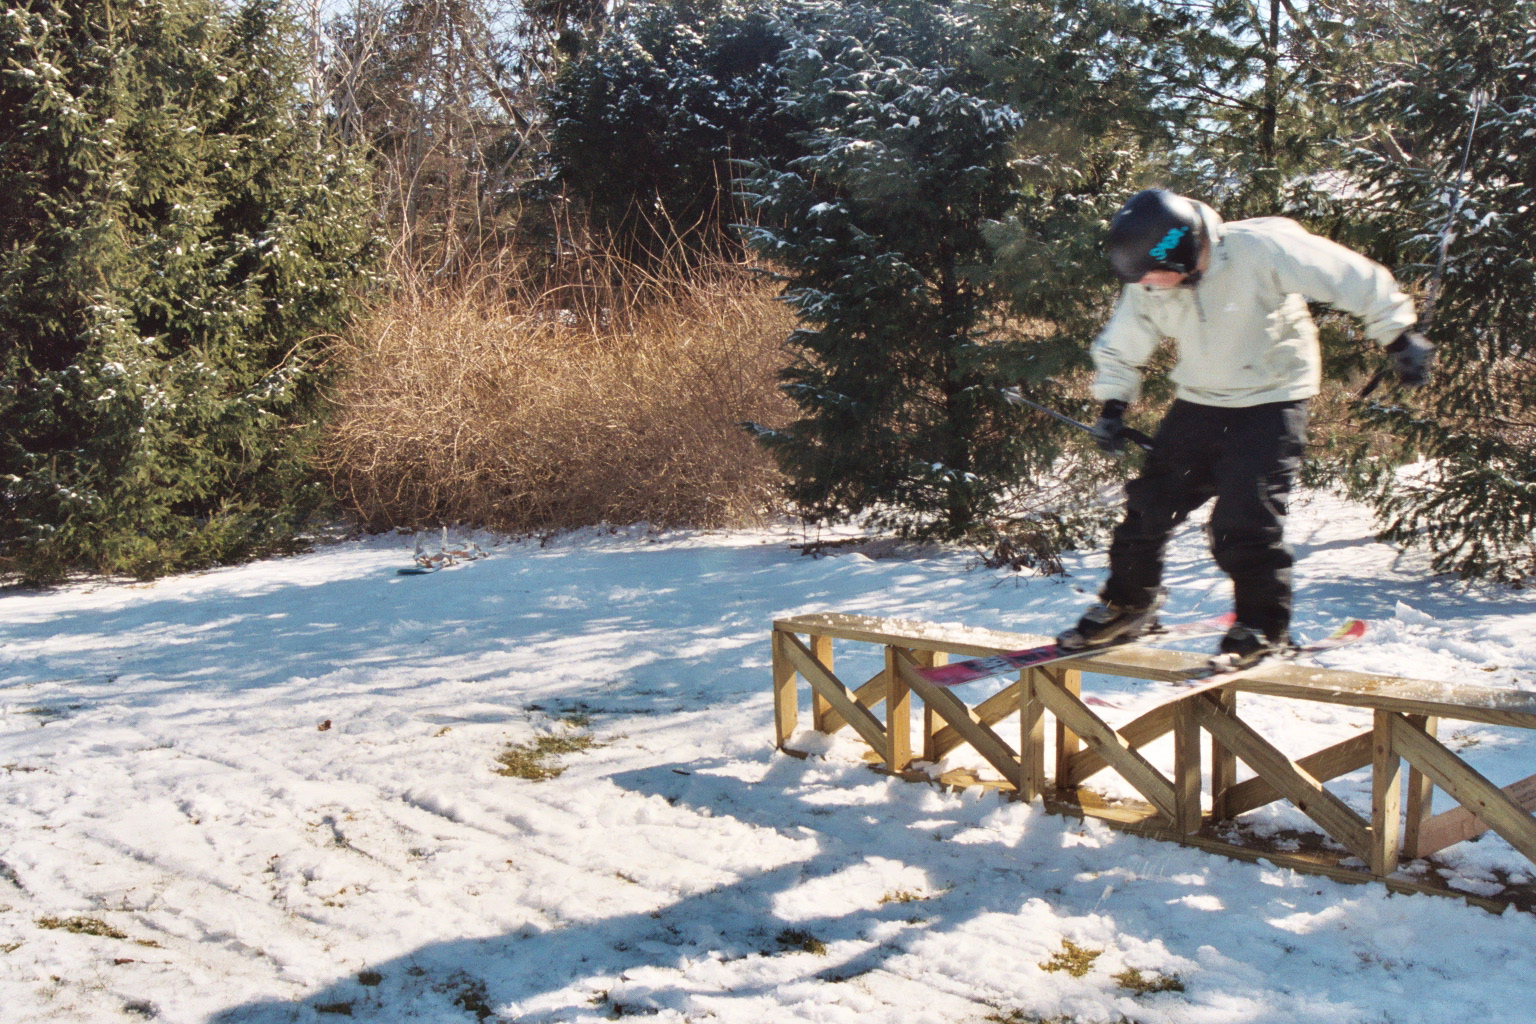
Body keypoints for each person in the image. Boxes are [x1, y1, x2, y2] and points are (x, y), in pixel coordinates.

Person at [1057, 188, 1435, 666]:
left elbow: (1353, 277)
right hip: (1199, 399)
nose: (1148, 284)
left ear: (1183, 251)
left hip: (1271, 400)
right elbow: (1125, 338)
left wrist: (1398, 335)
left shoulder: (1262, 249)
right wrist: (1113, 405)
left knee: (1244, 521)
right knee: (1149, 506)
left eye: (1154, 273)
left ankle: (1261, 626)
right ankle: (1128, 606)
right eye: (1141, 277)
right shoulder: (1150, 277)